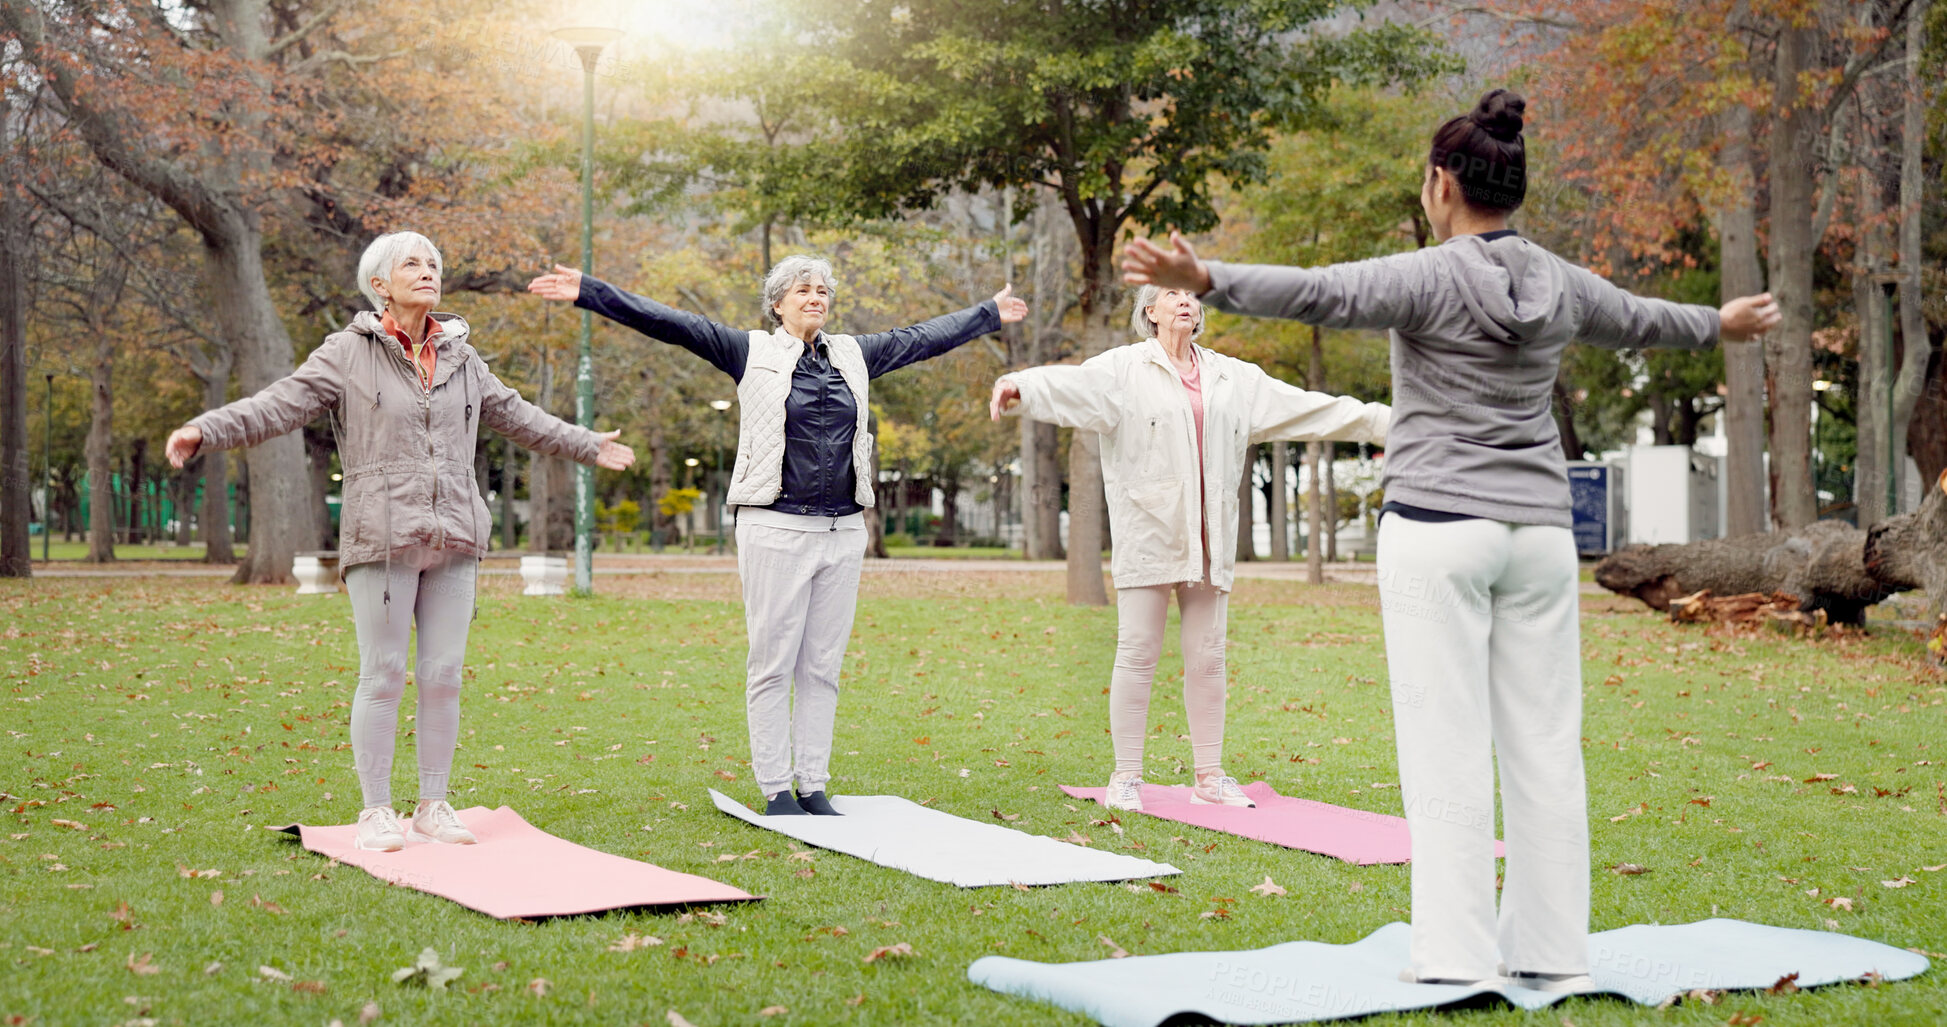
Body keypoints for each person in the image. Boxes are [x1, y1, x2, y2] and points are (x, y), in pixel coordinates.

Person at [1122, 89, 1780, 991]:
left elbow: (1321, 295)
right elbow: (1638, 317)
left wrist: (1208, 281)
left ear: (1440, 185)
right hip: (1541, 540)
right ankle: (1551, 949)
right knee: (1545, 745)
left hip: (1438, 532)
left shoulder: (1426, 274)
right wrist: (1721, 322)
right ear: (1511, 187)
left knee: (1447, 744)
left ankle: (1455, 955)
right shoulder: (1557, 280)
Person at [165, 232, 636, 852]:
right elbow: (279, 404)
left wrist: (588, 443)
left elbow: (520, 416)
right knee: (383, 674)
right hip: (382, 535)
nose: (427, 271)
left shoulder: (463, 358)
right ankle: (376, 809)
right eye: (411, 263)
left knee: (443, 676)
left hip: (455, 536)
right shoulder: (347, 353)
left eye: (434, 262)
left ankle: (434, 805)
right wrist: (208, 428)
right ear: (379, 284)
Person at [527, 257, 1027, 815]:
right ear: (777, 303)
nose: (815, 297)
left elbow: (922, 338)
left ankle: (813, 785)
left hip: (841, 530)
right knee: (773, 662)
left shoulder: (855, 356)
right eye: (803, 290)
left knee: (821, 666)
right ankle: (775, 789)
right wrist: (590, 292)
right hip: (774, 526)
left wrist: (988, 313)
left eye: (822, 290)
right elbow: (670, 322)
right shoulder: (748, 351)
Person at [989, 286, 1388, 811]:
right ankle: (1126, 776)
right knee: (1137, 653)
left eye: (1192, 295)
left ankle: (1209, 776)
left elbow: (1309, 409)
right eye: (1171, 294)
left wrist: (1383, 421)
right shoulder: (1125, 369)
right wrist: (1020, 384)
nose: (1185, 302)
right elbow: (1074, 384)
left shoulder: (1233, 377)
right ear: (1149, 311)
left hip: (1209, 536)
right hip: (1149, 530)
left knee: (1208, 658)